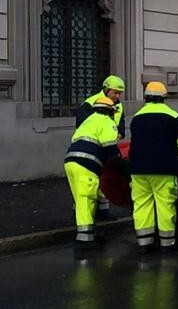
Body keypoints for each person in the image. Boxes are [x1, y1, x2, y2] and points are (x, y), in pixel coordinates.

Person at [128, 82, 178, 254]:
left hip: (138, 169)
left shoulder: (137, 117)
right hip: (165, 167)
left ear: (146, 97)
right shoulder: (173, 116)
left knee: (141, 204)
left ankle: (144, 242)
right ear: (164, 98)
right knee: (165, 204)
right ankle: (167, 242)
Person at [65, 96, 121, 249]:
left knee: (81, 199)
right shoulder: (107, 122)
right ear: (110, 111)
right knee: (87, 199)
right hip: (86, 163)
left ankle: (88, 233)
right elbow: (109, 145)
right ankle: (84, 238)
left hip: (70, 161)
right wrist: (120, 161)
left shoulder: (87, 121)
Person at [77, 75, 127, 220]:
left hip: (107, 147)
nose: (117, 96)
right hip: (92, 149)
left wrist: (118, 135)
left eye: (119, 93)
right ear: (105, 90)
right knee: (88, 184)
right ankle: (85, 215)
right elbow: (82, 126)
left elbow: (121, 125)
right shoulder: (90, 104)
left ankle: (103, 211)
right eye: (115, 92)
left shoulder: (119, 105)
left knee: (105, 178)